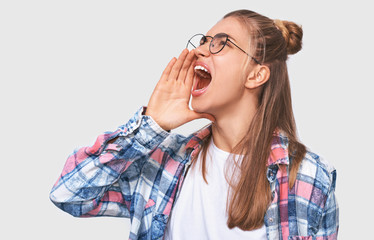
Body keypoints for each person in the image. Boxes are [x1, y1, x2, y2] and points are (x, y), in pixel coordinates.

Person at [50, 9, 339, 240]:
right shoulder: (161, 162)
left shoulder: (309, 177)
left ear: (255, 75)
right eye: (203, 40)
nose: (200, 51)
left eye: (220, 43)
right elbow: (68, 195)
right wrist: (150, 126)